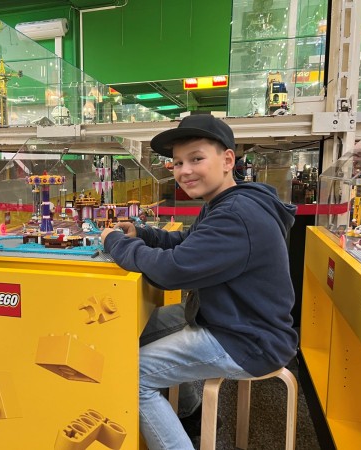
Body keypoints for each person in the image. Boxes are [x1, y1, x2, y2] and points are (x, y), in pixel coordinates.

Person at [100, 114, 298, 450]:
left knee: (132, 373)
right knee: (137, 327)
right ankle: (190, 413)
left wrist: (116, 243)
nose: (185, 171)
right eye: (178, 163)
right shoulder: (228, 201)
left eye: (196, 159)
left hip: (246, 339)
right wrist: (145, 234)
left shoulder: (235, 215)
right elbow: (190, 243)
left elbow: (171, 271)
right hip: (228, 317)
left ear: (228, 160)